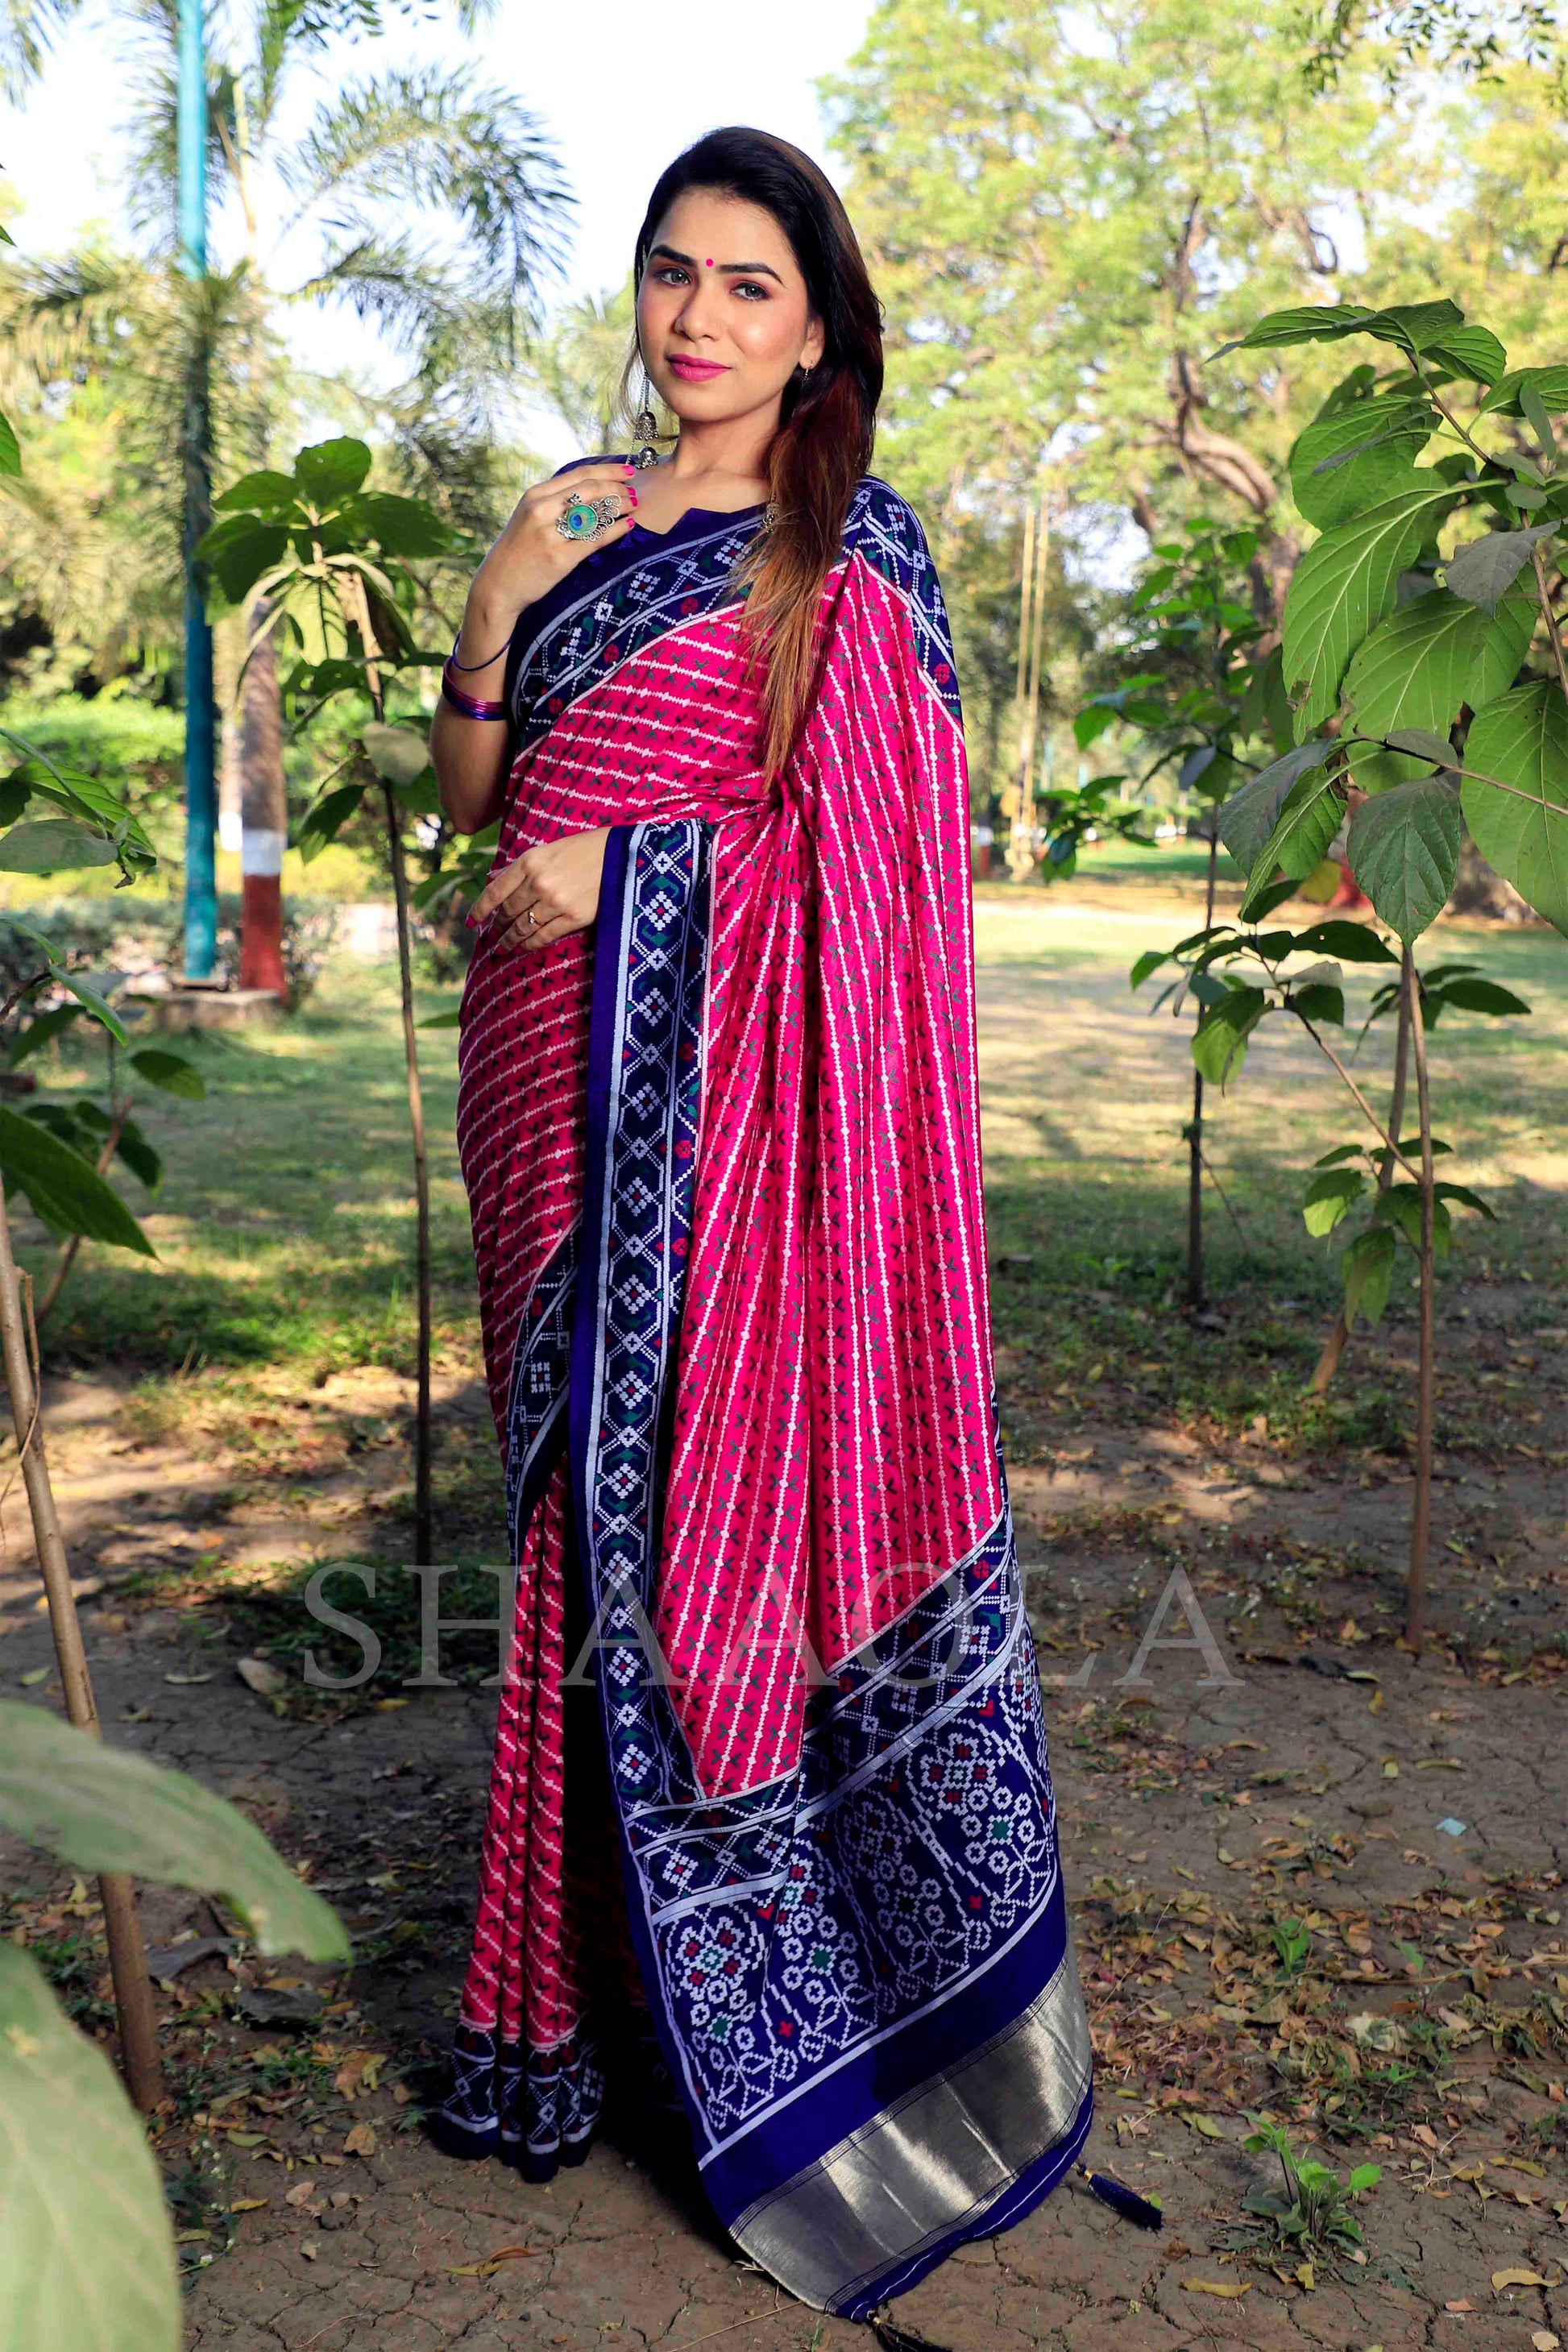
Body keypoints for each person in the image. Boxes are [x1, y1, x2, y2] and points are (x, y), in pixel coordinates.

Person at [429, 125, 1093, 2322]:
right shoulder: (577, 515)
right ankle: (570, 2014)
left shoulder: (847, 549)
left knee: (680, 1540)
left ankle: (777, 2023)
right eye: (669, 273)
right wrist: (495, 607)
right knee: (563, 1527)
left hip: (731, 1108)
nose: (694, 320)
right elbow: (475, 789)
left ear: (815, 332)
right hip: (539, 1086)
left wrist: (632, 873)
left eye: (745, 286)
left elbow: (882, 872)